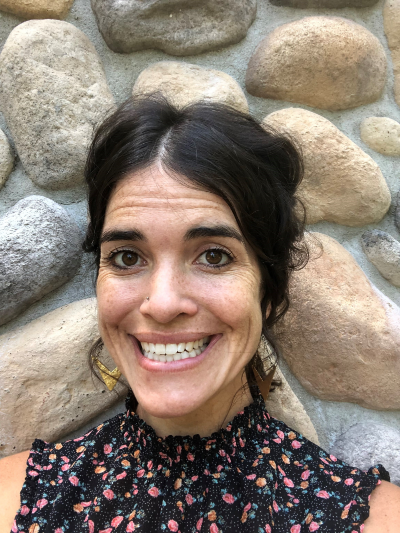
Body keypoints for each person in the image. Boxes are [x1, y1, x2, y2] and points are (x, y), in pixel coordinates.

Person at [0, 96, 399, 533]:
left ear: (268, 290)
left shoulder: (380, 522)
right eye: (127, 257)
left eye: (213, 256)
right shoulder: (11, 502)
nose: (164, 303)